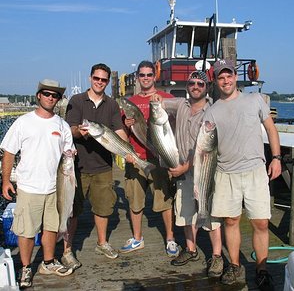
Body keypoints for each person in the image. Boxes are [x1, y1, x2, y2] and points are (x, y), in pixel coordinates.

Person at [203, 59, 281, 289]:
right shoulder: (212, 111)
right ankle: (235, 266)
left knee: (261, 223)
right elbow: (205, 147)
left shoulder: (254, 99)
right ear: (216, 81)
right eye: (220, 77)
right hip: (225, 173)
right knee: (231, 220)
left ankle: (261, 269)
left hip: (255, 170)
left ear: (235, 77)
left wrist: (276, 158)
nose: (225, 80)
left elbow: (270, 129)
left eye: (229, 76)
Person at [1, 79, 74, 288]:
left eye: (55, 95)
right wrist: (6, 180)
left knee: (52, 227)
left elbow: (68, 151)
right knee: (26, 231)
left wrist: (71, 154)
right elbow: (8, 151)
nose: (51, 98)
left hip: (56, 186)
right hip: (29, 187)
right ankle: (25, 267)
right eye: (47, 94)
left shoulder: (62, 124)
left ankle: (48, 262)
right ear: (38, 96)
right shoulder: (23, 122)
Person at [151, 70, 223, 277]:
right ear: (187, 85)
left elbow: (207, 147)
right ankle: (191, 250)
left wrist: (185, 167)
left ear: (207, 87)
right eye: (192, 83)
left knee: (209, 213)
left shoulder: (212, 110)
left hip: (204, 168)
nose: (196, 86)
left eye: (201, 83)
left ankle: (217, 256)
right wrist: (157, 99)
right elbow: (161, 105)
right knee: (184, 212)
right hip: (181, 169)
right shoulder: (180, 103)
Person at [64, 63, 129, 267]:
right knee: (72, 210)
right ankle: (67, 250)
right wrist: (79, 133)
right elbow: (70, 129)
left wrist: (128, 151)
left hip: (103, 167)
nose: (99, 82)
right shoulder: (76, 100)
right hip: (78, 167)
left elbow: (118, 131)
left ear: (108, 82)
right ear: (90, 78)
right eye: (96, 78)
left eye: (103, 80)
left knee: (103, 208)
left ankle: (102, 243)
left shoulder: (111, 105)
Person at [120, 60, 179, 257]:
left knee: (164, 200)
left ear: (155, 77)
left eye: (149, 75)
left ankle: (170, 239)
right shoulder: (131, 103)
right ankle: (138, 238)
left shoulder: (166, 97)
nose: (145, 78)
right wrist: (127, 125)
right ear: (137, 77)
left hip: (159, 158)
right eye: (142, 75)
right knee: (135, 201)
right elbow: (121, 133)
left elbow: (177, 123)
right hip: (136, 158)